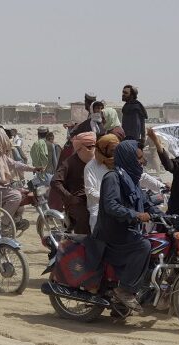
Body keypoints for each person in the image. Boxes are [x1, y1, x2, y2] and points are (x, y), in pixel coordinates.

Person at [90, 140, 161, 311]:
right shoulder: (113, 177)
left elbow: (144, 202)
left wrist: (161, 214)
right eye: (139, 158)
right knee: (144, 245)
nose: (142, 161)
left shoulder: (130, 178)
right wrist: (136, 215)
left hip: (127, 229)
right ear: (128, 158)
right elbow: (111, 206)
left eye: (142, 158)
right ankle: (125, 289)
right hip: (112, 233)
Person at [0, 128, 39, 220]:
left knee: (24, 192)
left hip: (3, 186)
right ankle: (3, 222)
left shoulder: (0, 153)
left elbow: (14, 164)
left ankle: (16, 219)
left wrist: (34, 168)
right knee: (16, 196)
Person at [51, 131, 96, 235]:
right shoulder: (69, 163)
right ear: (79, 148)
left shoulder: (96, 162)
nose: (92, 149)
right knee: (84, 218)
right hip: (77, 202)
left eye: (94, 146)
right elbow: (55, 181)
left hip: (94, 198)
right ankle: (82, 245)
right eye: (89, 147)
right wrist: (70, 198)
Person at [84, 134, 121, 232]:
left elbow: (141, 177)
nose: (115, 153)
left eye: (117, 149)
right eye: (112, 150)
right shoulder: (91, 167)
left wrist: (161, 186)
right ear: (104, 149)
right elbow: (90, 191)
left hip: (120, 206)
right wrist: (109, 199)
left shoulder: (120, 163)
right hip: (99, 208)